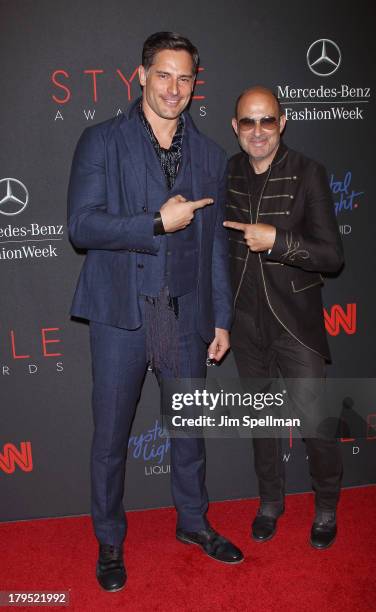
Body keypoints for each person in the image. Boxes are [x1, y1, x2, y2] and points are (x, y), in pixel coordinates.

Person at [68, 31, 243, 593]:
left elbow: (216, 244)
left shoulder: (211, 155)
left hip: (179, 315)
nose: (174, 88)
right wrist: (154, 222)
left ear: (196, 84)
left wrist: (220, 319)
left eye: (185, 78)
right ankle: (110, 541)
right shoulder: (101, 141)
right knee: (111, 437)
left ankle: (193, 523)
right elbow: (82, 226)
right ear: (140, 75)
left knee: (188, 432)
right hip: (122, 311)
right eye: (163, 75)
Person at [224, 86, 344, 550]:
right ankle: (270, 503)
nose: (258, 131)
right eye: (248, 122)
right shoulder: (228, 172)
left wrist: (277, 240)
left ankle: (327, 506)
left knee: (315, 423)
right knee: (261, 422)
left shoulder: (309, 173)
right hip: (245, 323)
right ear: (235, 127)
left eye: (267, 121)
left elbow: (332, 256)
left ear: (283, 122)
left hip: (296, 322)